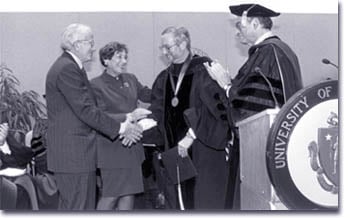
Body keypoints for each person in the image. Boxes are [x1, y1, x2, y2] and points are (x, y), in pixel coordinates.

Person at [204, 4, 304, 209]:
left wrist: (225, 83)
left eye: (241, 26)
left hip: (262, 145)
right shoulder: (283, 51)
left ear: (256, 23)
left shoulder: (267, 53)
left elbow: (251, 104)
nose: (238, 32)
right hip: (280, 141)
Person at [45, 23, 148, 210]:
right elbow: (86, 110)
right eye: (90, 42)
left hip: (77, 155)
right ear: (77, 44)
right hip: (73, 155)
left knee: (77, 207)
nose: (93, 47)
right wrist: (123, 127)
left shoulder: (71, 67)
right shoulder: (67, 68)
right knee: (79, 208)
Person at [146, 26, 236, 209]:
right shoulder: (164, 77)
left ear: (183, 43)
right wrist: (144, 122)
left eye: (168, 47)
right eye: (161, 48)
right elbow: (158, 110)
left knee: (202, 200)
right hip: (174, 153)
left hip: (201, 149)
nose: (164, 52)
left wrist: (190, 136)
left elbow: (217, 111)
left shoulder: (204, 70)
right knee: (177, 201)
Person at [90, 41, 152, 210]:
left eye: (125, 57)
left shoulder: (131, 79)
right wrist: (128, 116)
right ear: (106, 60)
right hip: (112, 147)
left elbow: (151, 95)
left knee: (129, 193)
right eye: (119, 57)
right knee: (111, 195)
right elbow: (98, 116)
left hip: (132, 146)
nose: (124, 61)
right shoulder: (95, 85)